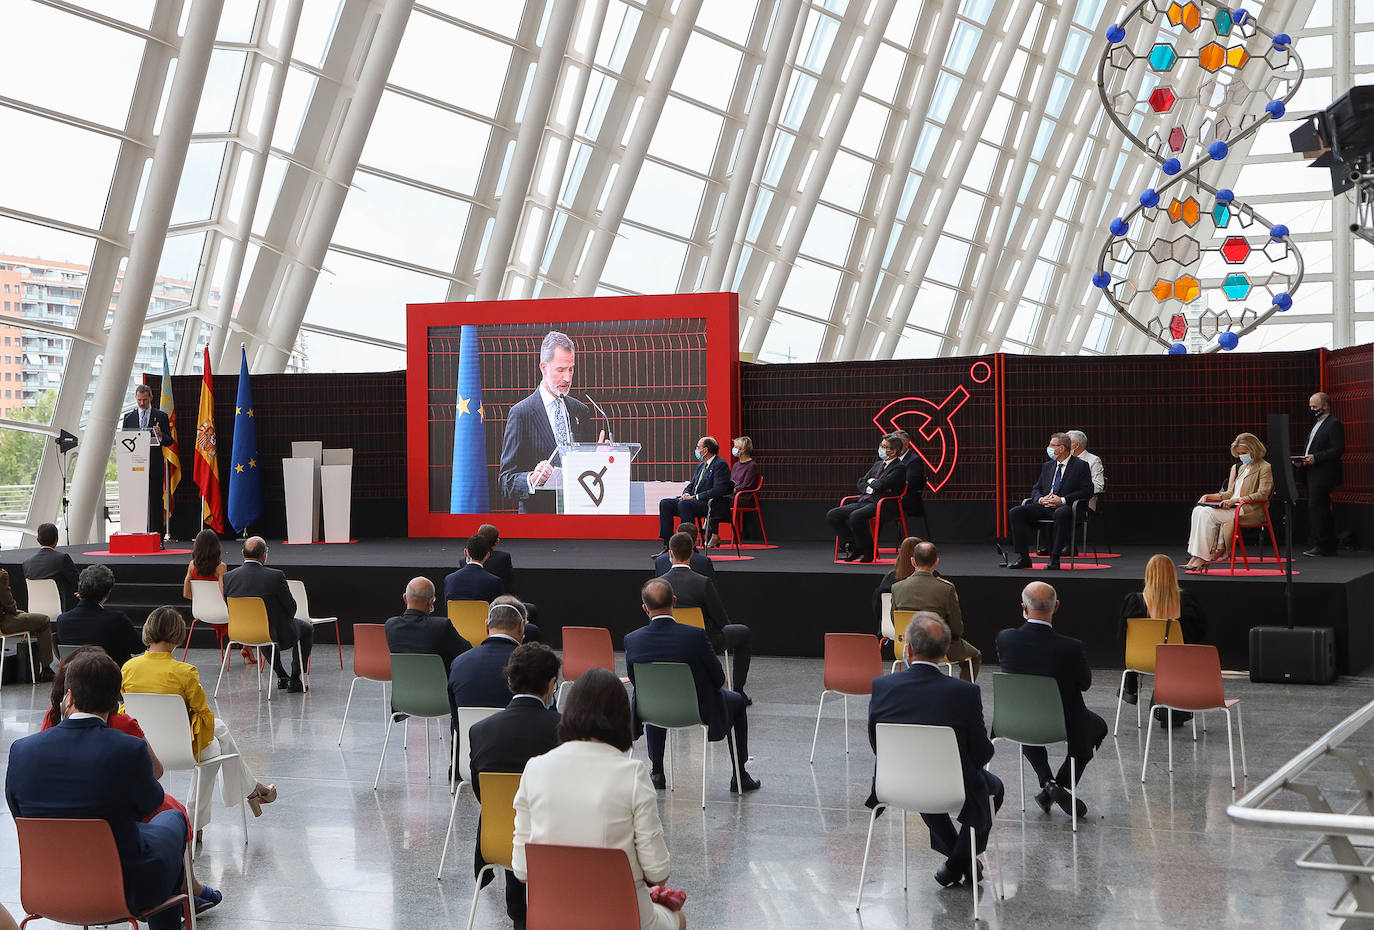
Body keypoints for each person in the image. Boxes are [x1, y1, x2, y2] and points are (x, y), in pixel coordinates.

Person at [7, 650, 189, 930]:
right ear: (115, 704)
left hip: (44, 889)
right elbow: (150, 804)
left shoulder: (22, 751)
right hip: (122, 890)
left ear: (68, 697)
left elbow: (18, 812)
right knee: (173, 819)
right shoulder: (129, 750)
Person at [41, 646, 221, 915]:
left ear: (68, 692)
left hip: (49, 875)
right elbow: (153, 780)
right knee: (175, 816)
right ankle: (186, 888)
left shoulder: (38, 735)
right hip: (115, 838)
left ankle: (186, 888)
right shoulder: (123, 727)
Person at [513, 667, 686, 930]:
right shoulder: (632, 774)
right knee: (677, 918)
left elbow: (522, 869)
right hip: (622, 915)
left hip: (554, 916)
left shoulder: (534, 768)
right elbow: (658, 871)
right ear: (621, 718)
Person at [867, 613, 1003, 887]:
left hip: (896, 783)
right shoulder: (964, 692)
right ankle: (958, 861)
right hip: (950, 784)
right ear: (944, 654)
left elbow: (876, 744)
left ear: (909, 649)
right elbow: (981, 753)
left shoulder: (882, 686)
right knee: (994, 788)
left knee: (923, 782)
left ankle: (955, 861)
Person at [121, 607, 278, 837]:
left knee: (221, 729)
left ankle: (252, 790)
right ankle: (197, 821)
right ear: (177, 635)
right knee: (215, 746)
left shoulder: (128, 668)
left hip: (143, 749)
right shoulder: (185, 672)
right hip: (181, 750)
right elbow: (203, 716)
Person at [624, 578, 759, 793]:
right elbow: (718, 678)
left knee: (654, 693)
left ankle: (657, 771)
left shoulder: (632, 640)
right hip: (698, 710)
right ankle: (740, 774)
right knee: (737, 703)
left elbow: (635, 681)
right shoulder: (695, 636)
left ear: (644, 608)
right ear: (674, 601)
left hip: (651, 710)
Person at [468, 643, 562, 930]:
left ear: (510, 681)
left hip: (498, 839)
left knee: (517, 817)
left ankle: (520, 914)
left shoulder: (480, 730)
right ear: (552, 684)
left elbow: (479, 791)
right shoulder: (565, 729)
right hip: (554, 840)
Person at [994, 582, 1108, 819]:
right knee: (1097, 728)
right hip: (1064, 723)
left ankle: (1047, 783)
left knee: (1029, 715)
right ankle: (1058, 785)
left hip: (1016, 721)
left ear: (1023, 608)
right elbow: (1084, 684)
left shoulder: (1006, 639)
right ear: (1056, 607)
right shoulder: (1070, 647)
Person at [497, 330, 598, 513]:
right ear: (544, 367)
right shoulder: (521, 413)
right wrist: (532, 477)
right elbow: (506, 481)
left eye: (571, 369)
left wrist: (601, 457)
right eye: (560, 370)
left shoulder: (581, 411)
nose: (567, 378)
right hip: (539, 522)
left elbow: (585, 471)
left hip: (578, 515)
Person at [659, 531, 752, 697]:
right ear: (692, 552)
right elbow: (721, 620)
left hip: (670, 641)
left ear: (670, 553)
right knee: (743, 632)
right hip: (705, 641)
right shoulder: (703, 582)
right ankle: (739, 691)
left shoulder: (659, 584)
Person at [1118, 554, 1209, 721]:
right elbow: (1199, 633)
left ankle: (1136, 690)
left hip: (1142, 661)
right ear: (1173, 574)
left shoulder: (1135, 602)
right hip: (1178, 663)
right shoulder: (1186, 601)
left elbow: (1122, 636)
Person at [221, 536, 310, 691]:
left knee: (264, 627)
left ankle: (282, 675)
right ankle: (295, 679)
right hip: (276, 634)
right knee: (307, 629)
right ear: (264, 555)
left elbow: (229, 606)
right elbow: (291, 608)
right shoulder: (275, 576)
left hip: (241, 634)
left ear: (243, 552)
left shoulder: (228, 578)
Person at [1182, 432, 1273, 573]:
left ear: (1254, 449)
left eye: (1244, 452)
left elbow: (1262, 494)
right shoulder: (1243, 468)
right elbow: (1230, 493)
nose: (1242, 456)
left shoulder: (1265, 467)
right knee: (1198, 510)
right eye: (1239, 453)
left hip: (1250, 509)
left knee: (1207, 514)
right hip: (1234, 506)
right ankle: (1197, 556)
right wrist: (1209, 496)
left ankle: (1202, 558)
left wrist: (1236, 500)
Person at [892, 541, 980, 680]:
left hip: (907, 647)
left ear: (913, 561)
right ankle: (962, 696)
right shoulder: (946, 588)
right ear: (936, 562)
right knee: (975, 656)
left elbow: (895, 621)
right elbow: (956, 629)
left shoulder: (897, 588)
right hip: (940, 647)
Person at [1006, 432, 1093, 570]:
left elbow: (1087, 491)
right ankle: (1024, 557)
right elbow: (1036, 489)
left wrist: (1063, 500)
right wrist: (1041, 499)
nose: (1049, 447)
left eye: (1052, 445)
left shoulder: (1080, 466)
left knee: (1061, 513)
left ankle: (1054, 558)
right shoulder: (1048, 466)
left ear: (1062, 448)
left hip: (1067, 507)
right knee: (1016, 512)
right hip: (1045, 506)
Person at [828, 433, 910, 563]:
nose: (881, 449)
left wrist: (872, 482)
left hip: (883, 504)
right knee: (833, 514)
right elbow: (861, 481)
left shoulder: (899, 468)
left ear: (893, 451)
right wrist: (871, 485)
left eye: (884, 447)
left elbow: (881, 484)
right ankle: (857, 545)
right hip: (866, 500)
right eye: (881, 446)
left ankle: (866, 549)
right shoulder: (877, 464)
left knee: (856, 516)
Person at [447, 603, 527, 730]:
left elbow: (455, 722)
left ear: (487, 627)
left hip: (471, 746)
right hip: (518, 745)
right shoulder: (531, 663)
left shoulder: (459, 663)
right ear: (521, 627)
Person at [183, 528, 256, 665]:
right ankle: (247, 646)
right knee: (244, 612)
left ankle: (246, 647)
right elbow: (224, 593)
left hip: (201, 610)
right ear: (216, 547)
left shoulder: (192, 566)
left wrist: (203, 601)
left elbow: (186, 593)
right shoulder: (220, 567)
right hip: (221, 612)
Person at [55, 564, 142, 667]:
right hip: (110, 677)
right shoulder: (116, 619)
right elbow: (138, 647)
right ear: (108, 593)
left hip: (74, 677)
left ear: (80, 590)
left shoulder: (63, 620)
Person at [657, 436, 732, 552]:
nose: (696, 450)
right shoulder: (701, 465)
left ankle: (688, 546)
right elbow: (692, 485)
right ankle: (668, 545)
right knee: (665, 503)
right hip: (694, 501)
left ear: (705, 450)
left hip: (711, 504)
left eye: (698, 447)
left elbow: (719, 489)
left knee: (685, 504)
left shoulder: (720, 464)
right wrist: (686, 493)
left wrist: (695, 497)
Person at [385, 577, 470, 674]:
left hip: (405, 687)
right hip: (440, 686)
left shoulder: (390, 626)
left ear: (405, 598)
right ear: (431, 602)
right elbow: (467, 652)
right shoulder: (441, 626)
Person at [1295, 391, 1344, 557]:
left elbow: (1338, 449)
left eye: (1315, 406)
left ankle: (1322, 543)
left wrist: (1316, 458)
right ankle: (1328, 543)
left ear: (1325, 405)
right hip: (1311, 471)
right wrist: (1303, 460)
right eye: (1310, 406)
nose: (1312, 409)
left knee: (1317, 506)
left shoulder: (1333, 423)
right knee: (1319, 507)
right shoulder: (1318, 423)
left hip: (1324, 472)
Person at [120, 383, 172, 537]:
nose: (142, 403)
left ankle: (157, 536)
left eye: (145, 400)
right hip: (135, 467)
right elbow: (125, 440)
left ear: (151, 398)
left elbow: (170, 441)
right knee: (136, 501)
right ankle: (137, 534)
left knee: (155, 501)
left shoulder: (161, 416)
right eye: (139, 400)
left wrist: (160, 434)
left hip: (154, 466)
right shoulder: (129, 417)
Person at [704, 436, 761, 549]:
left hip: (743, 497)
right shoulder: (735, 465)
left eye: (736, 447)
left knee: (716, 503)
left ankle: (710, 529)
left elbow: (746, 485)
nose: (733, 449)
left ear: (743, 449)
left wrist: (732, 490)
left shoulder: (752, 466)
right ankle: (712, 532)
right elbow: (729, 482)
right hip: (731, 496)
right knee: (713, 499)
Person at [0, 565, 54, 682]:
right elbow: (10, 606)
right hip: (4, 623)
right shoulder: (1, 575)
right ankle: (46, 669)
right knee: (44, 620)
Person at [22, 521, 79, 610]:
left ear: (38, 540)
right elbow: (77, 582)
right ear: (57, 539)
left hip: (34, 609)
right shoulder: (62, 558)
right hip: (62, 609)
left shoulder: (27, 563)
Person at [871, 536, 921, 628]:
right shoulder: (932, 578)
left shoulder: (889, 578)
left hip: (890, 629)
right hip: (922, 632)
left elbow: (878, 608)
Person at [444, 533, 504, 606]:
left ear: (466, 553)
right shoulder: (494, 582)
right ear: (487, 555)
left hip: (456, 617)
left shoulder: (450, 579)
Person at [1067, 430, 1106, 511]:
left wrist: (1072, 492)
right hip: (1059, 502)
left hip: (1081, 503)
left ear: (1076, 445)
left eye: (1067, 443)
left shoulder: (1093, 460)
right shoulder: (1063, 460)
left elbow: (1098, 486)